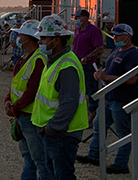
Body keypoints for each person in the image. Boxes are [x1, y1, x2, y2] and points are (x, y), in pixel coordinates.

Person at [76, 24, 138, 175]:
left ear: (128, 36)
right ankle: (95, 155)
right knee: (99, 125)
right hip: (109, 96)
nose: (115, 38)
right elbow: (109, 69)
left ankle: (121, 163)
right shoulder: (116, 50)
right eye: (114, 35)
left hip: (122, 98)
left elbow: (132, 79)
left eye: (118, 35)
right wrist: (101, 74)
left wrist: (107, 77)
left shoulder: (133, 54)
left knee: (123, 131)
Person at [31, 14, 88, 180]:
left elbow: (68, 103)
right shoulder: (55, 61)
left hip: (62, 134)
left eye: (43, 38)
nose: (40, 42)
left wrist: (51, 128)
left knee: (62, 175)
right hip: (54, 131)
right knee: (52, 173)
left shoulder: (66, 66)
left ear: (56, 40)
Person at [3, 19, 52, 180]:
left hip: (30, 116)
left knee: (40, 160)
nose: (18, 37)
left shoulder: (38, 59)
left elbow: (32, 91)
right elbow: (18, 84)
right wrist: (8, 100)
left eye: (21, 34)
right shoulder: (26, 57)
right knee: (29, 159)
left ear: (29, 38)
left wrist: (14, 107)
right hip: (22, 115)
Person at [71, 9, 104, 123]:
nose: (75, 20)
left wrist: (86, 58)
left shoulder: (93, 31)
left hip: (88, 65)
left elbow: (100, 49)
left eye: (77, 17)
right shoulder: (77, 30)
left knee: (91, 91)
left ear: (84, 18)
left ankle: (94, 115)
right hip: (77, 65)